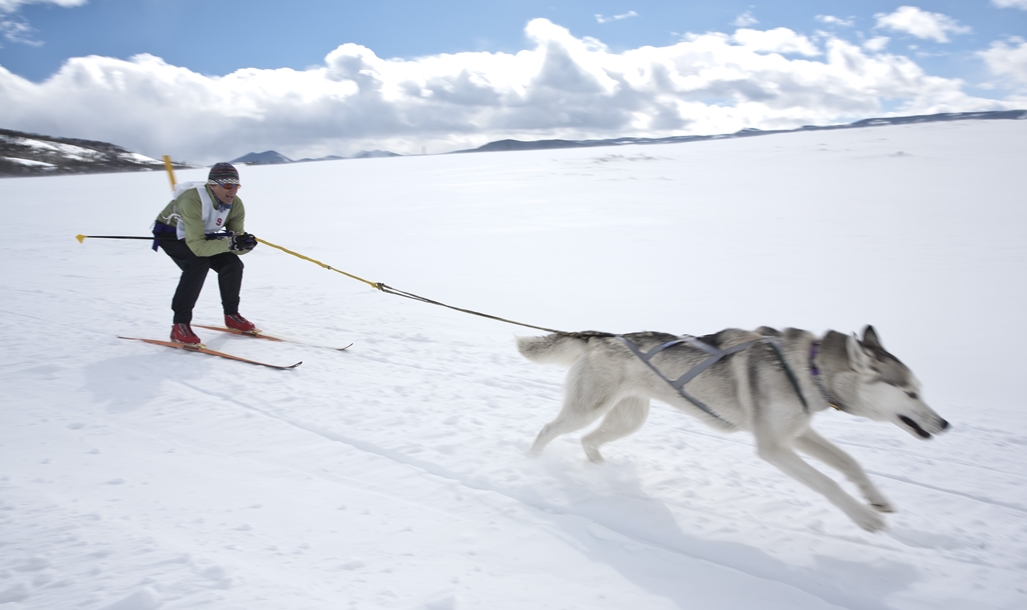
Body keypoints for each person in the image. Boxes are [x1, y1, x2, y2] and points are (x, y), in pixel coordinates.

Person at [152, 162, 258, 345]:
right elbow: (199, 248)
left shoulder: (236, 205)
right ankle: (180, 325)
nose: (232, 191)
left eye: (236, 186)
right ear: (212, 185)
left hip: (200, 235)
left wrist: (243, 245)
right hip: (171, 234)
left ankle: (231, 315)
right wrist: (230, 243)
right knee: (197, 264)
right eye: (227, 185)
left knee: (233, 265)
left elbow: (234, 243)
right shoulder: (191, 200)